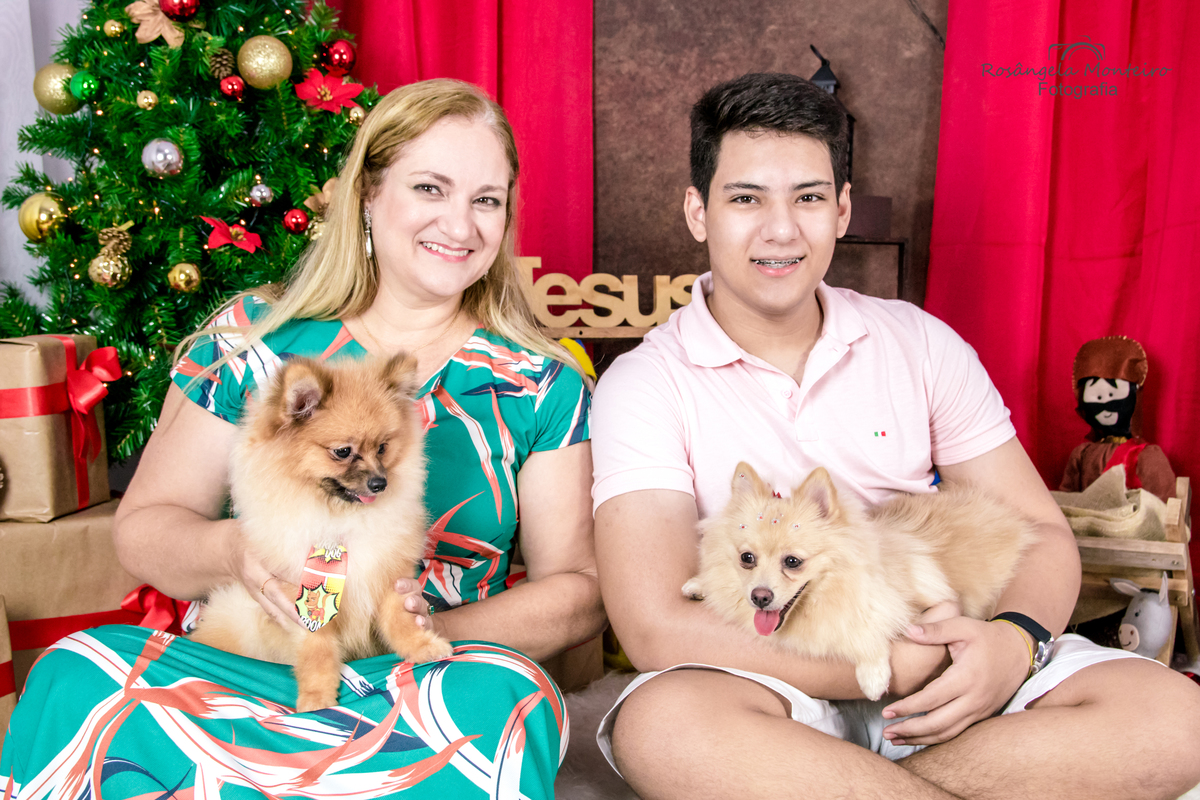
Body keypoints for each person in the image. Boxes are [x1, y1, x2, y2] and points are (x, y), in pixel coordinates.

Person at [590, 72, 1200, 800]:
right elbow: (655, 624)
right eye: (746, 198)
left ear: (842, 209)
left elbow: (1039, 531)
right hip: (769, 676)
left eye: (809, 198)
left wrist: (1011, 641)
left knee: (1178, 719)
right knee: (664, 728)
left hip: (949, 654)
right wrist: (872, 665)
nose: (781, 229)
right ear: (699, 211)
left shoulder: (917, 342)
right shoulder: (646, 382)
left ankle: (841, 788)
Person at [0, 79, 604, 799]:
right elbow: (144, 531)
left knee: (499, 703)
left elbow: (581, 591)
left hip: (430, 675)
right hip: (252, 659)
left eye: (487, 200)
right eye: (431, 188)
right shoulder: (254, 340)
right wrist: (241, 553)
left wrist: (420, 630)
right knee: (78, 669)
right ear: (368, 197)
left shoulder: (542, 381)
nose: (462, 224)